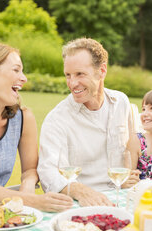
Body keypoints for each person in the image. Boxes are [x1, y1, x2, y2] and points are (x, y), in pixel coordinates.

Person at [0, 43, 73, 212]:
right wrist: (30, 200)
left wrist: (27, 186)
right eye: (16, 70)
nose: (24, 78)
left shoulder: (22, 118)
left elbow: (30, 169)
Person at [37, 38, 139, 206]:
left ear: (102, 71)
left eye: (80, 74)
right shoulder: (57, 119)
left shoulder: (121, 102)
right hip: (83, 203)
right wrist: (81, 191)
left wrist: (129, 174)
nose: (72, 83)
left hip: (122, 197)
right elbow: (48, 173)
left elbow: (130, 148)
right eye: (68, 75)